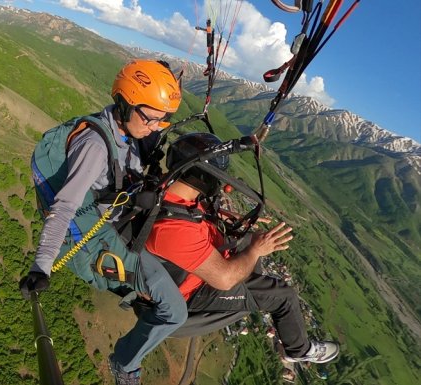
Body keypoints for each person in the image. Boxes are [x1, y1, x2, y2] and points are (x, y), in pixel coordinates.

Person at [19, 59, 187, 384]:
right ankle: (126, 364)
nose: (155, 126)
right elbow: (64, 206)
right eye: (150, 118)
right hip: (98, 236)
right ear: (124, 104)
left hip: (118, 214)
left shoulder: (126, 130)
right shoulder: (95, 147)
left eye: (162, 121)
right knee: (174, 311)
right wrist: (41, 266)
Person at [145, 132, 340, 363]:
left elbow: (192, 217)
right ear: (205, 176)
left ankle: (254, 290)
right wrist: (256, 251)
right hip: (194, 292)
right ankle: (298, 350)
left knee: (248, 239)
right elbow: (224, 280)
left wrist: (231, 221)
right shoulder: (173, 230)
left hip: (190, 264)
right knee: (283, 296)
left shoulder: (164, 189)